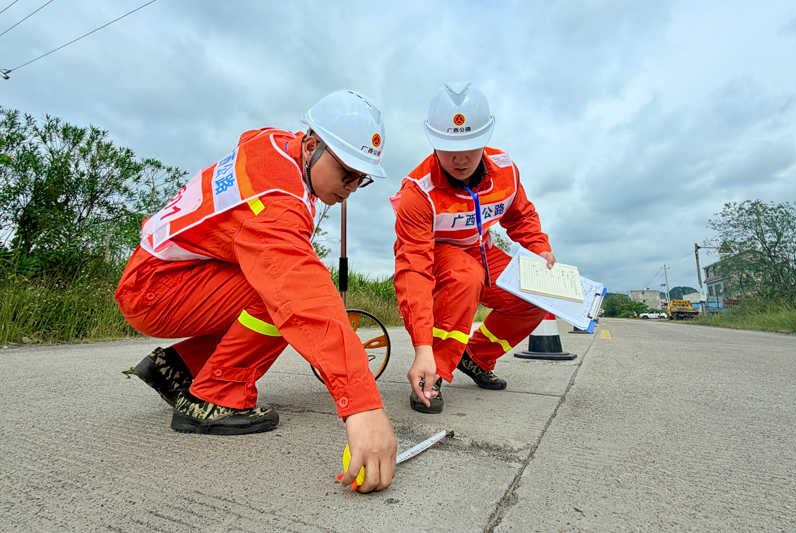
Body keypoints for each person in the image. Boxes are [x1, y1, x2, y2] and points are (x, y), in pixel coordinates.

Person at [115, 90, 396, 492]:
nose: (351, 187)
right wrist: (363, 405)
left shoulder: (277, 145)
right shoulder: (276, 198)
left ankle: (183, 369)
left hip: (165, 275)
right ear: (313, 146)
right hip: (155, 288)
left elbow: (253, 136)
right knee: (277, 293)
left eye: (362, 179)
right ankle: (214, 395)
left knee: (270, 283)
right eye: (347, 173)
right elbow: (301, 293)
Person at [391, 82, 556, 414]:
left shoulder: (506, 171)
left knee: (536, 295)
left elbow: (521, 214)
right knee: (466, 275)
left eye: (471, 146)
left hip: (482, 249)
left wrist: (540, 249)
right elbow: (414, 270)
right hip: (437, 254)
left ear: (485, 140)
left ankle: (476, 356)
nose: (460, 159)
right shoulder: (418, 193)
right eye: (449, 148)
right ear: (433, 142)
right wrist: (423, 346)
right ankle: (432, 370)